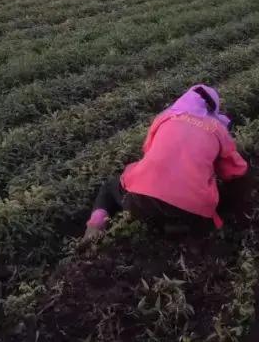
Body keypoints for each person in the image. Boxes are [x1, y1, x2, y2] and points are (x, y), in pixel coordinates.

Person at [83, 84, 248, 240]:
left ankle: (96, 226)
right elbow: (235, 171)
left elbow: (147, 149)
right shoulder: (218, 130)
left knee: (109, 188)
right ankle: (178, 226)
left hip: (141, 201)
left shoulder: (165, 118)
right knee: (207, 196)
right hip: (192, 211)